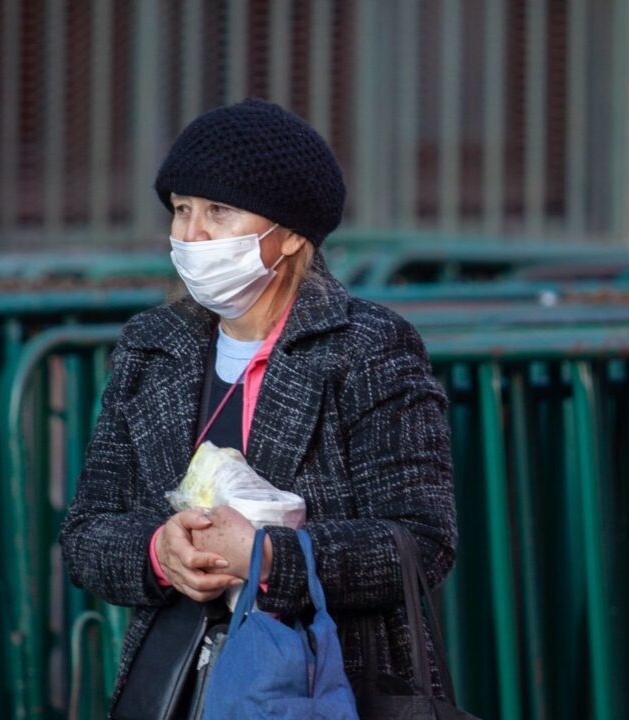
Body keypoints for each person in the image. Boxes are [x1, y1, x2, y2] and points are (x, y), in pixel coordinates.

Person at [59, 98, 457, 714]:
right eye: (181, 210)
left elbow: (422, 542)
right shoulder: (151, 346)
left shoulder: (368, 347)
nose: (191, 235)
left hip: (330, 683)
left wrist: (273, 556)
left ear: (292, 233)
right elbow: (86, 532)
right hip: (179, 682)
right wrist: (160, 553)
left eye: (219, 211)